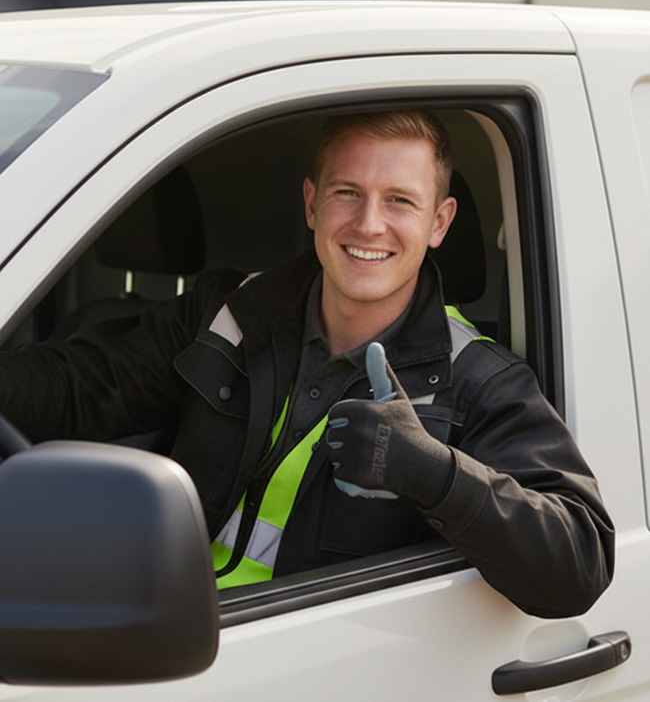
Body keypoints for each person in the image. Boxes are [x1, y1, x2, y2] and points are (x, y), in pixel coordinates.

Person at [0, 110, 613, 617]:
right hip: (169, 626)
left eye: (400, 200)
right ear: (312, 204)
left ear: (439, 222)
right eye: (348, 192)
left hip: (298, 659)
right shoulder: (231, 312)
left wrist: (436, 474)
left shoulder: (477, 378)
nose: (369, 223)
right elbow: (79, 385)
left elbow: (581, 563)